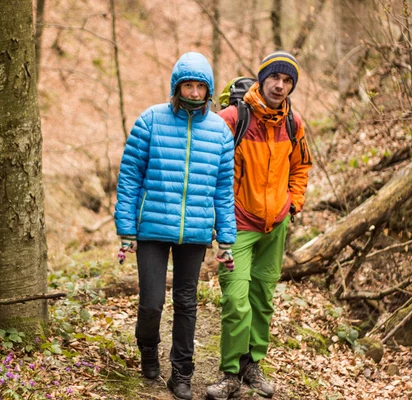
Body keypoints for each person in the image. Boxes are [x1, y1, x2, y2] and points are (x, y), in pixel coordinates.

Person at [114, 51, 236, 400]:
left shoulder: (220, 132)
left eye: (201, 86)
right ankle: (148, 349)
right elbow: (129, 179)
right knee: (151, 303)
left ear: (209, 90)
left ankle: (182, 372)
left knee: (186, 303)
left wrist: (225, 239)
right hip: (152, 227)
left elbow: (224, 190)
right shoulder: (150, 121)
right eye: (188, 85)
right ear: (176, 85)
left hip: (195, 233)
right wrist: (126, 229)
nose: (195, 93)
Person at [207, 51, 312, 399]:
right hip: (237, 225)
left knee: (263, 298)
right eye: (274, 78)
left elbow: (301, 168)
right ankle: (230, 375)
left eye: (287, 81)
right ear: (261, 79)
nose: (280, 85)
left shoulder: (294, 124)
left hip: (275, 226)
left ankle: (252, 364)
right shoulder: (232, 118)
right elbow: (210, 169)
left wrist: (293, 203)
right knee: (237, 301)